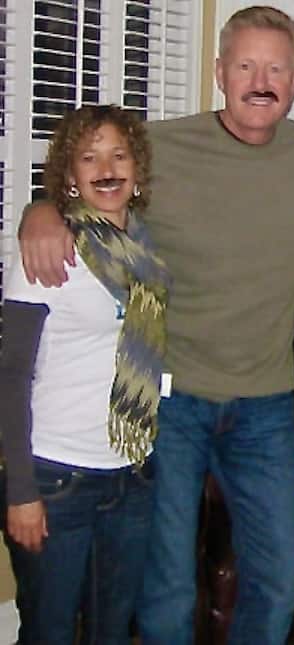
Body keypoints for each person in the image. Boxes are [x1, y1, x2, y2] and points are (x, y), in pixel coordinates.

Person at [15, 7, 294, 643]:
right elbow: (92, 183)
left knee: (278, 574)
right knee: (167, 580)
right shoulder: (161, 148)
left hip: (267, 402)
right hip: (172, 397)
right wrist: (43, 208)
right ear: (220, 73)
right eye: (246, 65)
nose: (261, 79)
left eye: (276, 67)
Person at [0, 105, 167, 644]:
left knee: (112, 632)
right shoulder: (46, 251)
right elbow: (10, 378)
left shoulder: (149, 251)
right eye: (89, 157)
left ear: (137, 168)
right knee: (48, 632)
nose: (106, 167)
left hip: (132, 474)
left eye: (119, 154)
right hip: (57, 480)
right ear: (69, 176)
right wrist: (20, 492)